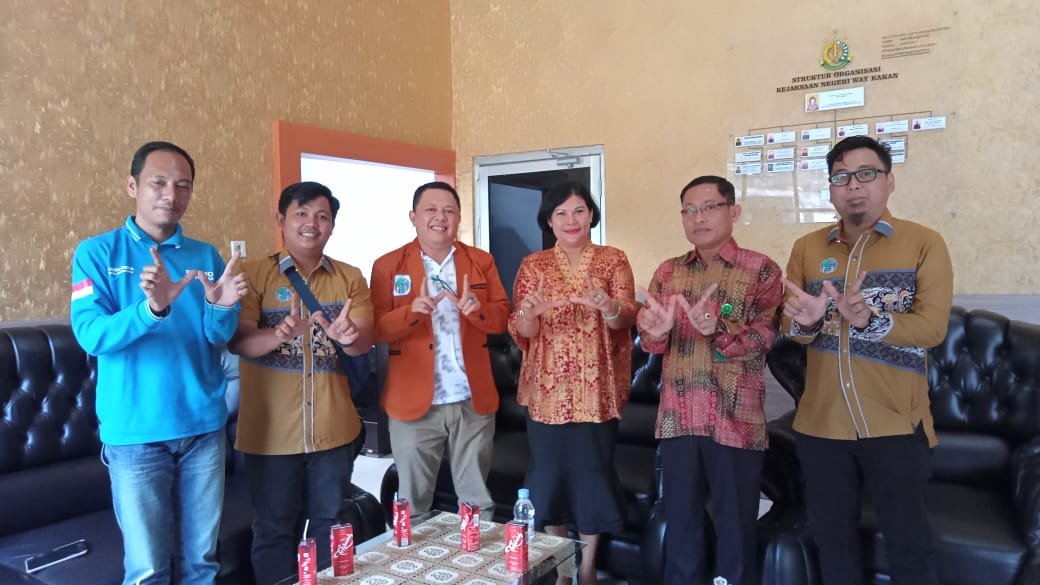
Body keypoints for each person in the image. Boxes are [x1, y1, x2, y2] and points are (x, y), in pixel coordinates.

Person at [70, 141, 249, 585]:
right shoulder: (97, 254)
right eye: (159, 182)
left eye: (183, 185)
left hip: (203, 429)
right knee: (148, 569)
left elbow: (218, 336)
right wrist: (151, 309)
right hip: (136, 435)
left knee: (203, 563)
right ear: (132, 186)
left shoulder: (204, 256)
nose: (172, 194)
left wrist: (223, 307)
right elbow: (91, 335)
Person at [782, 135, 953, 585]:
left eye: (866, 173)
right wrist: (805, 320)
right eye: (841, 177)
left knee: (909, 547)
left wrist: (870, 321)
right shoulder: (807, 248)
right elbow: (791, 327)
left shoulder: (924, 243)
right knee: (832, 544)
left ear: (889, 181)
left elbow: (932, 328)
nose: (853, 185)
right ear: (830, 189)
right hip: (821, 425)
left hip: (895, 422)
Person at [636, 175, 782, 585]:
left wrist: (717, 329)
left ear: (733, 211)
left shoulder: (761, 269)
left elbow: (765, 338)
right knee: (681, 524)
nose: (698, 217)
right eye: (689, 210)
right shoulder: (668, 272)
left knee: (736, 528)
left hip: (734, 421)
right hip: (678, 419)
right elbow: (652, 343)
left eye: (709, 207)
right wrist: (654, 332)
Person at [229, 181, 374, 583]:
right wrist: (277, 334)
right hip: (271, 434)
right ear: (281, 219)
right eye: (302, 213)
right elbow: (240, 341)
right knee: (274, 528)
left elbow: (363, 342)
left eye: (322, 216)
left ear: (332, 225)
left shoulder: (349, 277)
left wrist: (349, 337)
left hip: (333, 430)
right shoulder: (253, 274)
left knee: (332, 522)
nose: (312, 223)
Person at [509, 181, 636, 585]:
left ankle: (588, 566)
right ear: (549, 220)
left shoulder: (613, 260)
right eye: (561, 213)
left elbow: (626, 318)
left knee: (592, 478)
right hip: (546, 394)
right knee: (551, 480)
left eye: (579, 210)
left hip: (596, 393)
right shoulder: (533, 265)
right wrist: (530, 313)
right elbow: (521, 330)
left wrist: (609, 307)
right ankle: (564, 567)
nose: (571, 220)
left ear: (591, 215)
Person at [371, 181, 510, 521]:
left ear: (459, 217)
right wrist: (411, 313)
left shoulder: (480, 261)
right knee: (413, 504)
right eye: (431, 210)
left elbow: (502, 319)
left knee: (477, 502)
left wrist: (478, 310)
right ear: (413, 217)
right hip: (413, 402)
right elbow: (375, 329)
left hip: (471, 399)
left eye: (449, 211)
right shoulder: (388, 265)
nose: (440, 217)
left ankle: (475, 555)